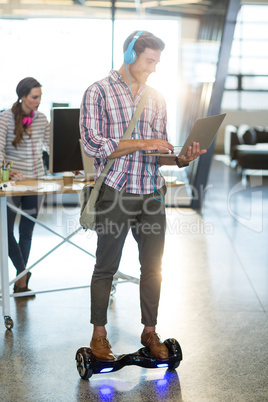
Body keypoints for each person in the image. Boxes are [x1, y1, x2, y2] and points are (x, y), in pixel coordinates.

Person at [80, 31, 206, 361]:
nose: (153, 68)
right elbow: (94, 145)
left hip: (151, 191)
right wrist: (141, 143)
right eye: (149, 61)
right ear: (130, 55)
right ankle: (99, 335)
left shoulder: (157, 97)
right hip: (115, 191)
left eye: (156, 62)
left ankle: (150, 331)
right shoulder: (98, 92)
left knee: (154, 267)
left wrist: (181, 158)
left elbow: (159, 150)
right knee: (106, 265)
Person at [0, 77, 50, 293]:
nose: (38, 101)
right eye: (34, 97)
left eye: (40, 97)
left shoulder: (42, 119)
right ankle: (23, 271)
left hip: (36, 182)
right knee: (5, 230)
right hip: (13, 184)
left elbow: (51, 145)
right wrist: (7, 170)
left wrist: (69, 164)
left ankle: (21, 283)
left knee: (27, 231)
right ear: (22, 96)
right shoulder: (6, 119)